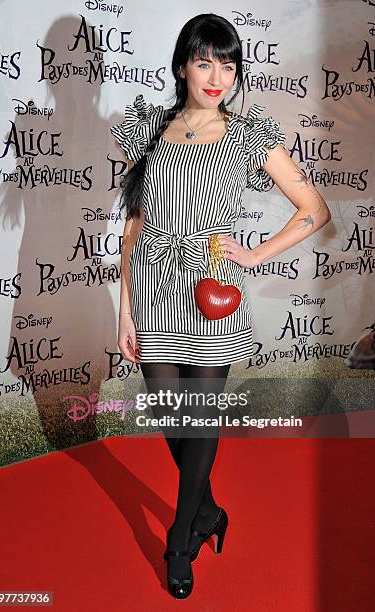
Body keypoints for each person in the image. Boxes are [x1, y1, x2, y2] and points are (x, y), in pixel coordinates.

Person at [111, 13, 331, 600]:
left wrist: (256, 254)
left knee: (200, 419)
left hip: (212, 293)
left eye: (227, 64)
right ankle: (208, 511)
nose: (216, 77)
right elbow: (134, 222)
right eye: (204, 62)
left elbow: (314, 207)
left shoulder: (247, 132)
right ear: (182, 65)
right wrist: (125, 309)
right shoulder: (145, 131)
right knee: (169, 414)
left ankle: (181, 537)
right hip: (153, 288)